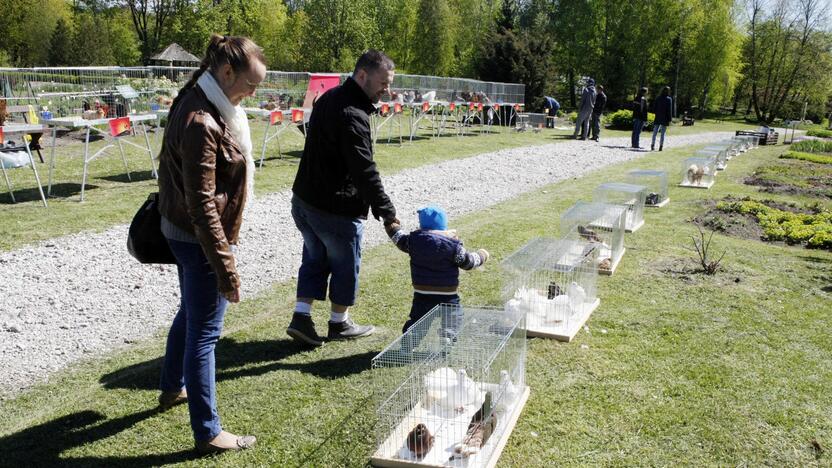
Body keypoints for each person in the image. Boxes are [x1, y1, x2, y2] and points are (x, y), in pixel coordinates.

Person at [156, 34, 265, 455]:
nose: (254, 94)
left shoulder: (202, 95)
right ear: (225, 72)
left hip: (182, 231)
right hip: (198, 237)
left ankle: (171, 387)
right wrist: (226, 269)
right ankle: (208, 432)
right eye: (250, 84)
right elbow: (202, 204)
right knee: (205, 333)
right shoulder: (203, 120)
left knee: (190, 312)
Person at [286, 50, 399, 347]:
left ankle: (301, 316)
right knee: (345, 263)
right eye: (383, 83)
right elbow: (364, 169)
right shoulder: (353, 114)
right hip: (334, 207)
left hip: (304, 201)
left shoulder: (330, 98)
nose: (386, 90)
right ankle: (339, 322)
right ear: (362, 75)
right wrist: (387, 211)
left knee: (314, 256)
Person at [385, 205, 489, 339]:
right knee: (453, 316)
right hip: (447, 294)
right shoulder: (453, 246)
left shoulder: (413, 242)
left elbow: (399, 239)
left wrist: (391, 225)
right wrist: (482, 255)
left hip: (422, 293)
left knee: (418, 320)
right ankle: (447, 336)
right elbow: (468, 262)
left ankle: (410, 340)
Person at [651, 86, 673, 151]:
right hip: (665, 118)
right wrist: (670, 119)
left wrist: (656, 113)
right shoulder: (669, 99)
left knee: (655, 132)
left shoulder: (658, 98)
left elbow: (654, 108)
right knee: (662, 134)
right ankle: (661, 146)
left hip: (658, 116)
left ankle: (652, 145)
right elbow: (669, 110)